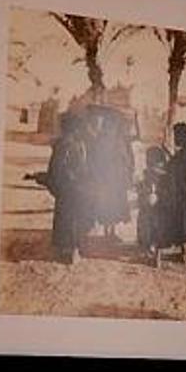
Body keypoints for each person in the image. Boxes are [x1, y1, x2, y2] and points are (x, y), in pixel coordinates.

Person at [44, 99, 132, 262]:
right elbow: (82, 163)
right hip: (79, 185)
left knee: (67, 217)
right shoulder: (80, 142)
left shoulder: (69, 142)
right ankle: (73, 248)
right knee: (77, 217)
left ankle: (68, 247)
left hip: (79, 185)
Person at [144, 120, 186, 260]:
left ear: (180, 139)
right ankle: (183, 252)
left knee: (158, 209)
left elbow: (171, 179)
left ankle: (157, 248)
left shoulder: (179, 160)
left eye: (176, 136)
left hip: (182, 203)